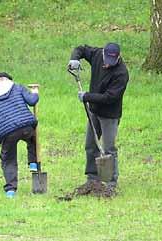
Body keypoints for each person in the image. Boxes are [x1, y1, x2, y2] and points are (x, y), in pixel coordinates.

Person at [68, 43, 129, 191]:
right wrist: (74, 59)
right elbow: (80, 49)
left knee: (109, 148)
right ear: (103, 54)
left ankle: (111, 182)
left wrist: (87, 96)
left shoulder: (121, 73)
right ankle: (92, 178)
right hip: (94, 111)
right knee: (90, 145)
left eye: (112, 61)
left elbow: (110, 98)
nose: (108, 63)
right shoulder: (97, 54)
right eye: (107, 59)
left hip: (110, 115)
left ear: (118, 57)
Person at [0, 72, 39, 198]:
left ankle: (10, 190)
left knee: (8, 159)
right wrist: (35, 92)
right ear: (9, 80)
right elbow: (32, 101)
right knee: (33, 141)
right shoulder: (17, 87)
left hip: (7, 133)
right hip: (26, 126)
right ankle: (33, 163)